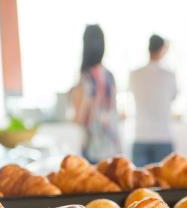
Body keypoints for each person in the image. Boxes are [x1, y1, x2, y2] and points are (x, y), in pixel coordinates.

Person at [71, 24, 121, 163]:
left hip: (92, 149)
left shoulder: (86, 78)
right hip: (113, 147)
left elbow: (79, 118)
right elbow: (114, 111)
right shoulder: (110, 76)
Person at [129, 34, 177, 167]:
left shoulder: (134, 74)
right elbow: (173, 96)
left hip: (140, 136)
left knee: (140, 185)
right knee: (165, 184)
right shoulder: (169, 75)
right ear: (162, 49)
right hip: (163, 136)